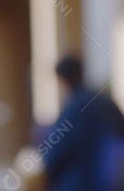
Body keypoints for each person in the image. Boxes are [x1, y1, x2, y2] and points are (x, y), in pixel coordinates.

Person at [42, 56, 124, 191]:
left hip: (80, 182)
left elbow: (55, 152)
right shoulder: (105, 101)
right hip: (112, 180)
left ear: (62, 80)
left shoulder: (73, 109)